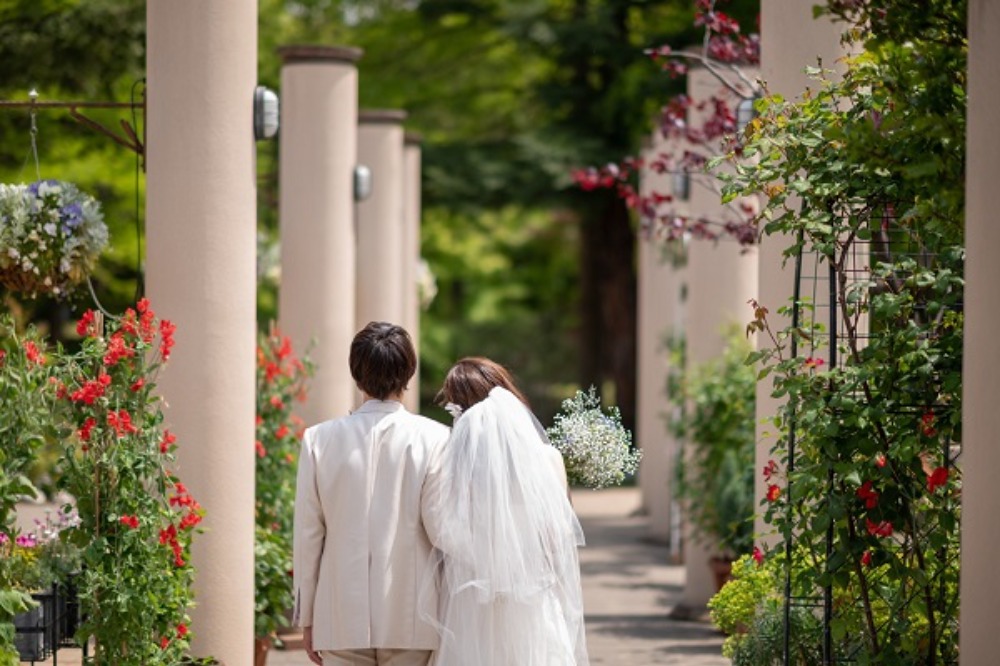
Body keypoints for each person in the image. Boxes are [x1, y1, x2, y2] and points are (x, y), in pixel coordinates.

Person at [294, 322, 450, 666]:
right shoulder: (435, 438)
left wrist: (307, 617)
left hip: (338, 615)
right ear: (408, 372)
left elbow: (308, 538)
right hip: (412, 615)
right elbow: (441, 530)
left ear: (356, 373)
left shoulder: (318, 439)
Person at [420, 357, 589, 666]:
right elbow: (558, 540)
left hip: (471, 602)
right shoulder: (549, 459)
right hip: (534, 599)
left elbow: (443, 530)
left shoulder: (453, 463)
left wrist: (485, 567)